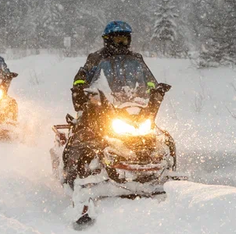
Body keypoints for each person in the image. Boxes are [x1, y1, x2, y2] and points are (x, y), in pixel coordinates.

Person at [62, 21, 166, 187]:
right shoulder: (96, 58)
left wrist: (156, 89)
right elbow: (82, 75)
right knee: (81, 136)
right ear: (108, 39)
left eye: (124, 39)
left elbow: (148, 79)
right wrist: (80, 87)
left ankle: (167, 170)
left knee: (161, 137)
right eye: (117, 39)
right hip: (101, 106)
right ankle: (70, 174)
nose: (121, 43)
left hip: (130, 106)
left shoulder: (136, 59)